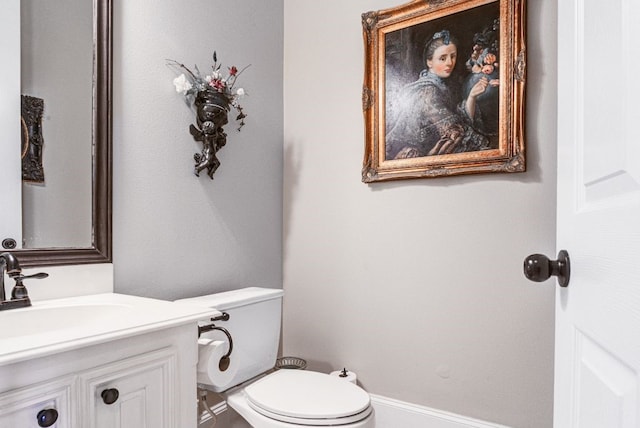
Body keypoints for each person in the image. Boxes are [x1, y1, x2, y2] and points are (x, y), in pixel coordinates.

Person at [385, 30, 491, 159]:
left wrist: (472, 97)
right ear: (429, 62)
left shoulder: (440, 86)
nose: (449, 63)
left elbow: (456, 119)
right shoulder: (427, 91)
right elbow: (453, 129)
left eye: (453, 56)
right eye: (443, 58)